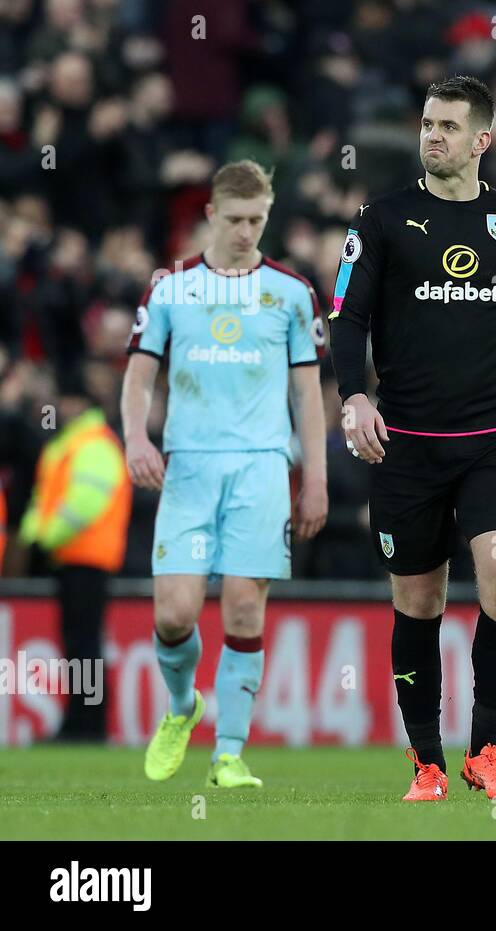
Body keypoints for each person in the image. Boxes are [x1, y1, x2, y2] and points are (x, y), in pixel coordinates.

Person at [328, 76, 496, 803]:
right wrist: (353, 395)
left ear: (482, 139)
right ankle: (428, 761)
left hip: (494, 442)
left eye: (448, 126)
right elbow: (347, 320)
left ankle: (486, 748)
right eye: (427, 123)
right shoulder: (381, 219)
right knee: (419, 603)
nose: (433, 136)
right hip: (406, 446)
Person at [122, 159, 328, 788]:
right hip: (189, 468)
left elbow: (308, 397)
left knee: (244, 610)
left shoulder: (292, 293)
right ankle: (184, 705)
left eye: (257, 220)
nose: (246, 231)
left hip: (264, 469)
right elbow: (137, 378)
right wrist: (136, 438)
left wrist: (314, 477)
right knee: (175, 616)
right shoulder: (171, 287)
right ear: (211, 214)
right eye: (235, 219)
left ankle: (229, 755)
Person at [19, 370, 131, 742]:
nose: (60, 408)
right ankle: (82, 722)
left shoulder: (91, 445)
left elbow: (82, 505)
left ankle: (87, 725)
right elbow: (49, 499)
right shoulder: (76, 444)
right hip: (75, 558)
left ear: (81, 404)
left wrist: (43, 538)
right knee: (80, 645)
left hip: (86, 556)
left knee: (84, 645)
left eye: (66, 401)